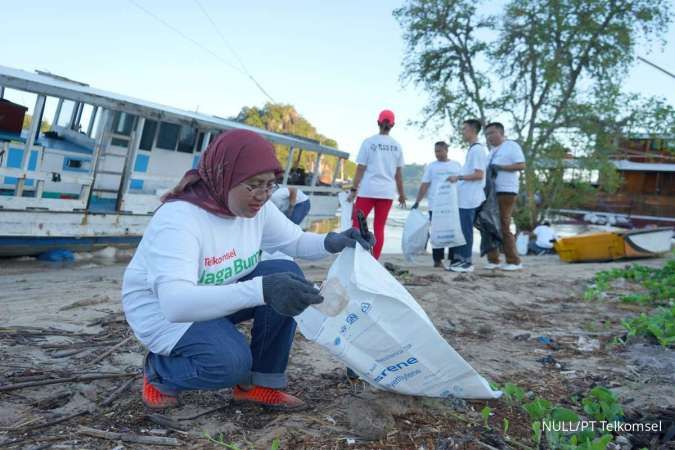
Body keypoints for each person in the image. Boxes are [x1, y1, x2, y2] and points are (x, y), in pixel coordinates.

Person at [122, 130, 374, 411]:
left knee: (284, 269)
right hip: (165, 314)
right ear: (223, 176)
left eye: (270, 185)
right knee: (230, 362)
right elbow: (175, 304)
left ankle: (257, 384)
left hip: (213, 294)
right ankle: (160, 371)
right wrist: (261, 290)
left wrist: (335, 241)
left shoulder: (257, 208)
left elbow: (295, 241)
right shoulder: (179, 220)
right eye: (253, 185)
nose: (262, 196)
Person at [348, 109, 406, 259]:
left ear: (378, 123)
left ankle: (355, 255)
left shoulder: (369, 142)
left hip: (368, 190)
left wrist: (354, 189)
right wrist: (402, 195)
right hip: (386, 192)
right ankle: (374, 260)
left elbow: (361, 168)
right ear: (393, 125)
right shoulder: (397, 146)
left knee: (356, 223)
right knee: (379, 227)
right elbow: (398, 174)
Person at [483, 122, 527, 271]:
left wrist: (501, 167)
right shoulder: (492, 151)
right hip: (491, 193)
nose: (489, 136)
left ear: (501, 133)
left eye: (492, 133)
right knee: (489, 224)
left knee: (503, 224)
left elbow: (521, 165)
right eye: (487, 134)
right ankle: (494, 260)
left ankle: (514, 261)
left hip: (506, 191)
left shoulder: (511, 146)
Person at [411, 141, 462, 268]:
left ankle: (452, 258)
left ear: (446, 150)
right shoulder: (432, 167)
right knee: (436, 232)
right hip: (435, 205)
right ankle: (437, 260)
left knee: (452, 231)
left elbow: (461, 184)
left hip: (452, 205)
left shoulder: (456, 165)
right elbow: (425, 185)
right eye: (435, 151)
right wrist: (417, 201)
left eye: (439, 151)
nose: (437, 154)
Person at [447, 120, 488, 273]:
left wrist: (459, 178)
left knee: (466, 230)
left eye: (464, 129)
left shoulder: (477, 150)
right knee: (462, 229)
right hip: (465, 197)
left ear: (472, 130)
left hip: (470, 198)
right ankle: (459, 259)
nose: (462, 132)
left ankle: (467, 262)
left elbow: (479, 174)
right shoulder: (473, 149)